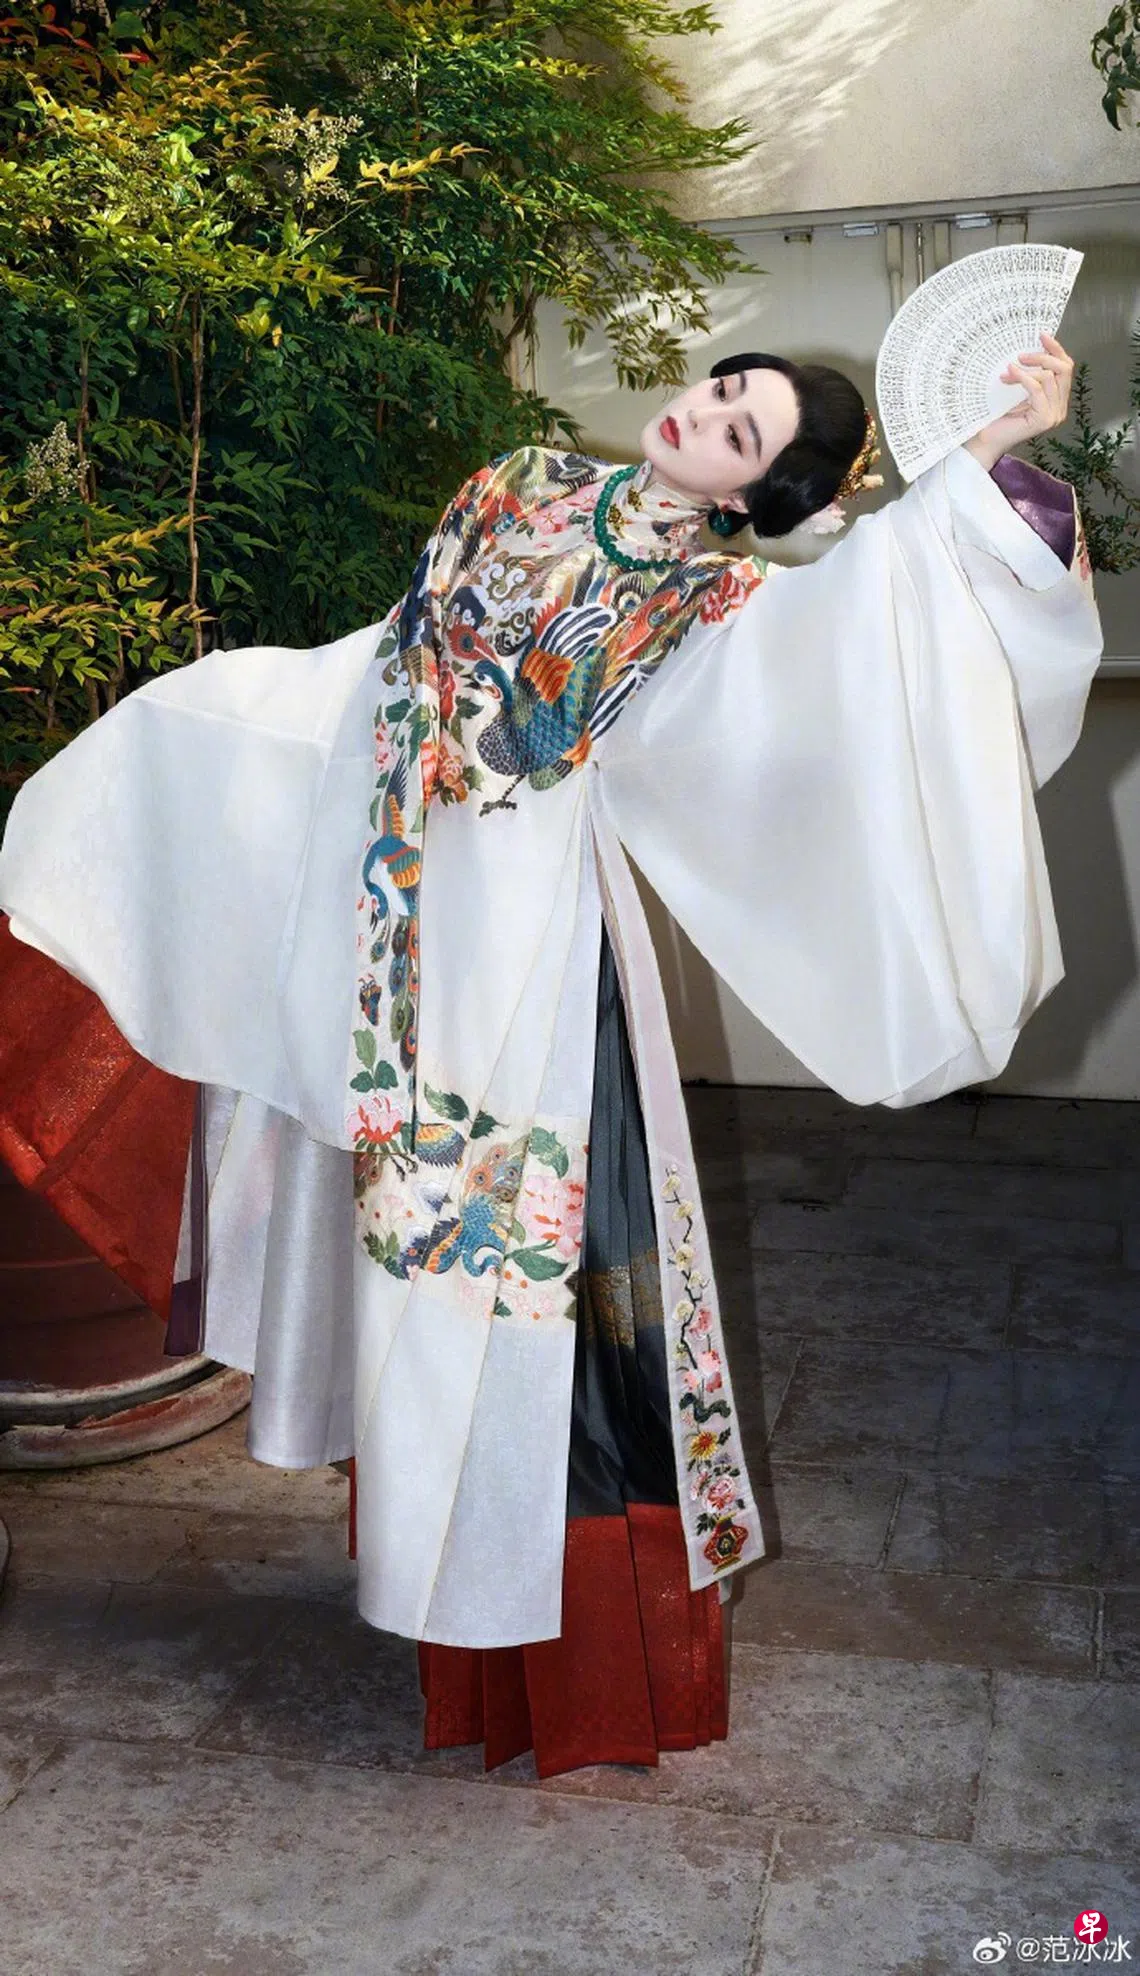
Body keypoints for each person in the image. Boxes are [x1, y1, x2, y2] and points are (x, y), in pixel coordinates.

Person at [0, 332, 1102, 1777]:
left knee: (556, 1299)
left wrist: (986, 459)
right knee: (167, 804)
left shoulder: (715, 607)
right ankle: (440, 1576)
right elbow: (402, 659)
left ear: (754, 495)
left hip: (526, 965)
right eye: (724, 390)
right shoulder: (521, 479)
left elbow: (867, 625)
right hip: (389, 904)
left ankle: (554, 1653)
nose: (703, 416)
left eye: (741, 434)